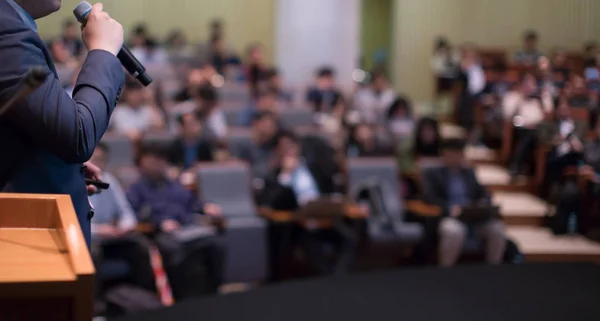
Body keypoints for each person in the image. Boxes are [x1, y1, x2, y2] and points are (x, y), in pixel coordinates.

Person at [0, 0, 124, 246]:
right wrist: (103, 52)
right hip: (24, 242)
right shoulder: (6, 30)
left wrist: (56, 166)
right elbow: (77, 136)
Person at [127, 143, 225, 298]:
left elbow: (193, 203)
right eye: (153, 160)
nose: (158, 164)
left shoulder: (175, 185)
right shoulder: (137, 189)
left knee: (215, 243)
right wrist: (159, 223)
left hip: (187, 227)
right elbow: (134, 215)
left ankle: (213, 292)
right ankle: (180, 298)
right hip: (160, 234)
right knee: (174, 250)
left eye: (161, 160)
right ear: (143, 163)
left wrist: (206, 207)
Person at [261, 131, 356, 275]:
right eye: (284, 148)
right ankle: (326, 280)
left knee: (348, 238)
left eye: (291, 146)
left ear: (298, 147)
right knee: (312, 246)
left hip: (323, 217)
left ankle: (338, 277)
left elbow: (329, 185)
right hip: (296, 224)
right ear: (277, 152)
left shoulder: (313, 167)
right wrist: (286, 175)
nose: (289, 151)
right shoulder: (274, 175)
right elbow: (274, 203)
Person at [421, 139, 506, 267]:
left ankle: (493, 271)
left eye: (460, 153)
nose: (458, 157)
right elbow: (429, 198)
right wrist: (449, 209)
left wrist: (484, 204)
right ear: (445, 154)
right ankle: (445, 272)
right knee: (454, 231)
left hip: (472, 215)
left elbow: (482, 192)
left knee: (497, 229)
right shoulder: (433, 174)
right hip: (449, 216)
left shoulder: (468, 172)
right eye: (454, 153)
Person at [89, 143, 155, 293]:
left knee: (141, 246)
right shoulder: (75, 183)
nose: (97, 164)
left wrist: (124, 227)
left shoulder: (109, 180)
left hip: (112, 237)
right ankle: (94, 307)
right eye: (93, 159)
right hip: (90, 237)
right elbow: (74, 222)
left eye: (100, 159)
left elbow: (126, 212)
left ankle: (145, 299)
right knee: (92, 253)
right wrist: (100, 231)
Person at [503, 73, 553, 177]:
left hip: (539, 128)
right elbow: (509, 115)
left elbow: (549, 116)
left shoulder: (543, 96)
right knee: (526, 135)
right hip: (520, 128)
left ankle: (516, 165)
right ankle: (519, 165)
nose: (529, 87)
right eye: (526, 84)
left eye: (531, 84)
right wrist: (521, 99)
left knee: (531, 135)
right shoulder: (515, 96)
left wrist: (541, 101)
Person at [235, 111, 280, 181]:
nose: (270, 129)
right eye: (267, 125)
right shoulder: (243, 146)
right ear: (255, 123)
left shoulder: (276, 147)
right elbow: (241, 172)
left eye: (273, 125)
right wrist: (270, 166)